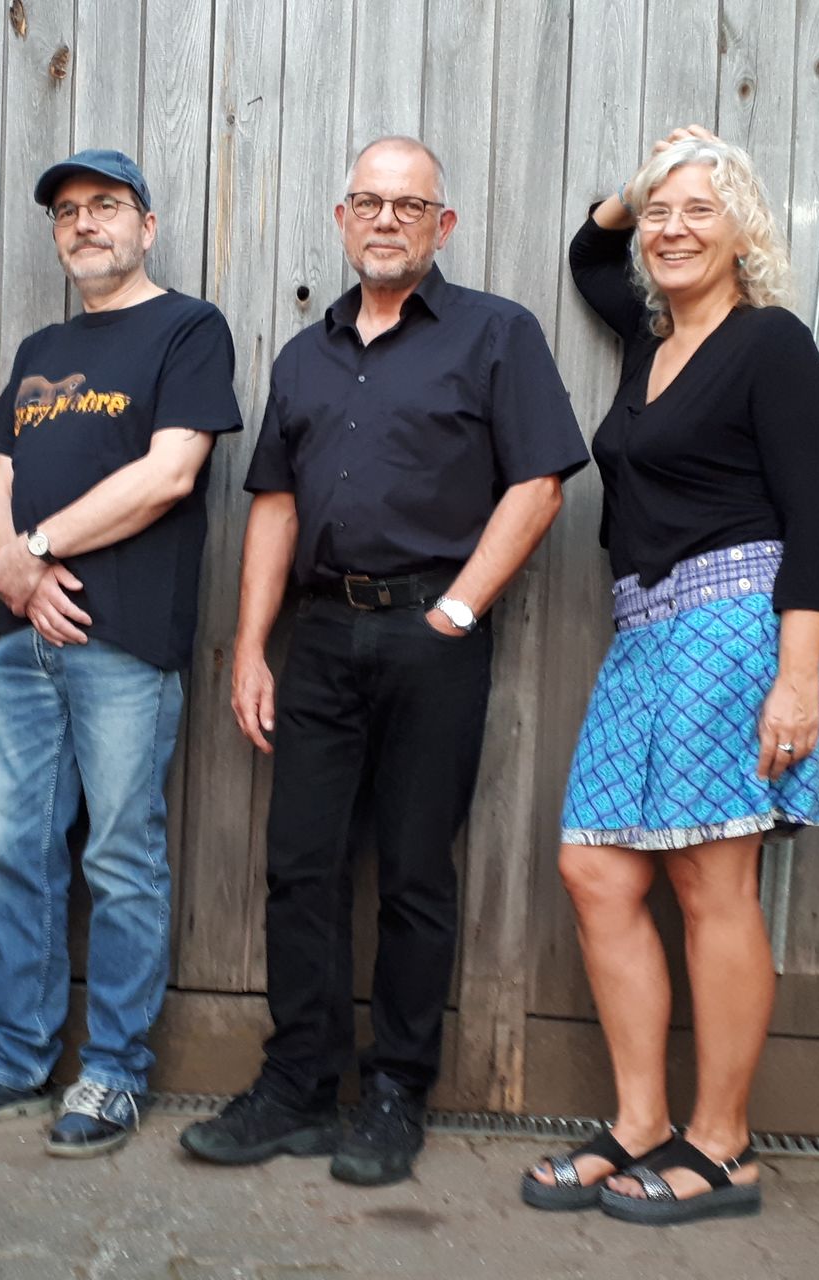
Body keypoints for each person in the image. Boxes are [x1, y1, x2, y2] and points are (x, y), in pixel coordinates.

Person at [179, 136, 590, 1187]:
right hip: (318, 637)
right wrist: (252, 647)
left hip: (429, 639)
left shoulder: (496, 333)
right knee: (299, 866)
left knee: (413, 871)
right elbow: (275, 505)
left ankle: (397, 1091)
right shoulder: (303, 357)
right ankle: (299, 1087)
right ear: (342, 217)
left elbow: (540, 482)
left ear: (441, 225)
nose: (388, 220)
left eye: (410, 205)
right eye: (369, 201)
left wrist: (456, 608)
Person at [523, 124, 819, 1225]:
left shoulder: (771, 344)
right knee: (595, 870)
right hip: (642, 634)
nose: (671, 230)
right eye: (660, 215)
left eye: (699, 210)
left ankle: (723, 1145)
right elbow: (586, 253)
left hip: (734, 626)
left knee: (712, 884)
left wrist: (796, 679)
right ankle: (640, 1121)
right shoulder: (648, 335)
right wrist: (641, 183)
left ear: (742, 231)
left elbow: (814, 521)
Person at [0, 149, 242, 1158]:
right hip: (23, 643)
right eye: (67, 212)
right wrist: (15, 569)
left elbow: (169, 475)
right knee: (19, 854)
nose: (84, 223)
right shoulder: (41, 347)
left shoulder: (189, 329)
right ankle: (12, 1056)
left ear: (145, 224)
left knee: (121, 857)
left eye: (105, 206)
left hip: (123, 640)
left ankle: (114, 1073)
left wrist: (37, 552)